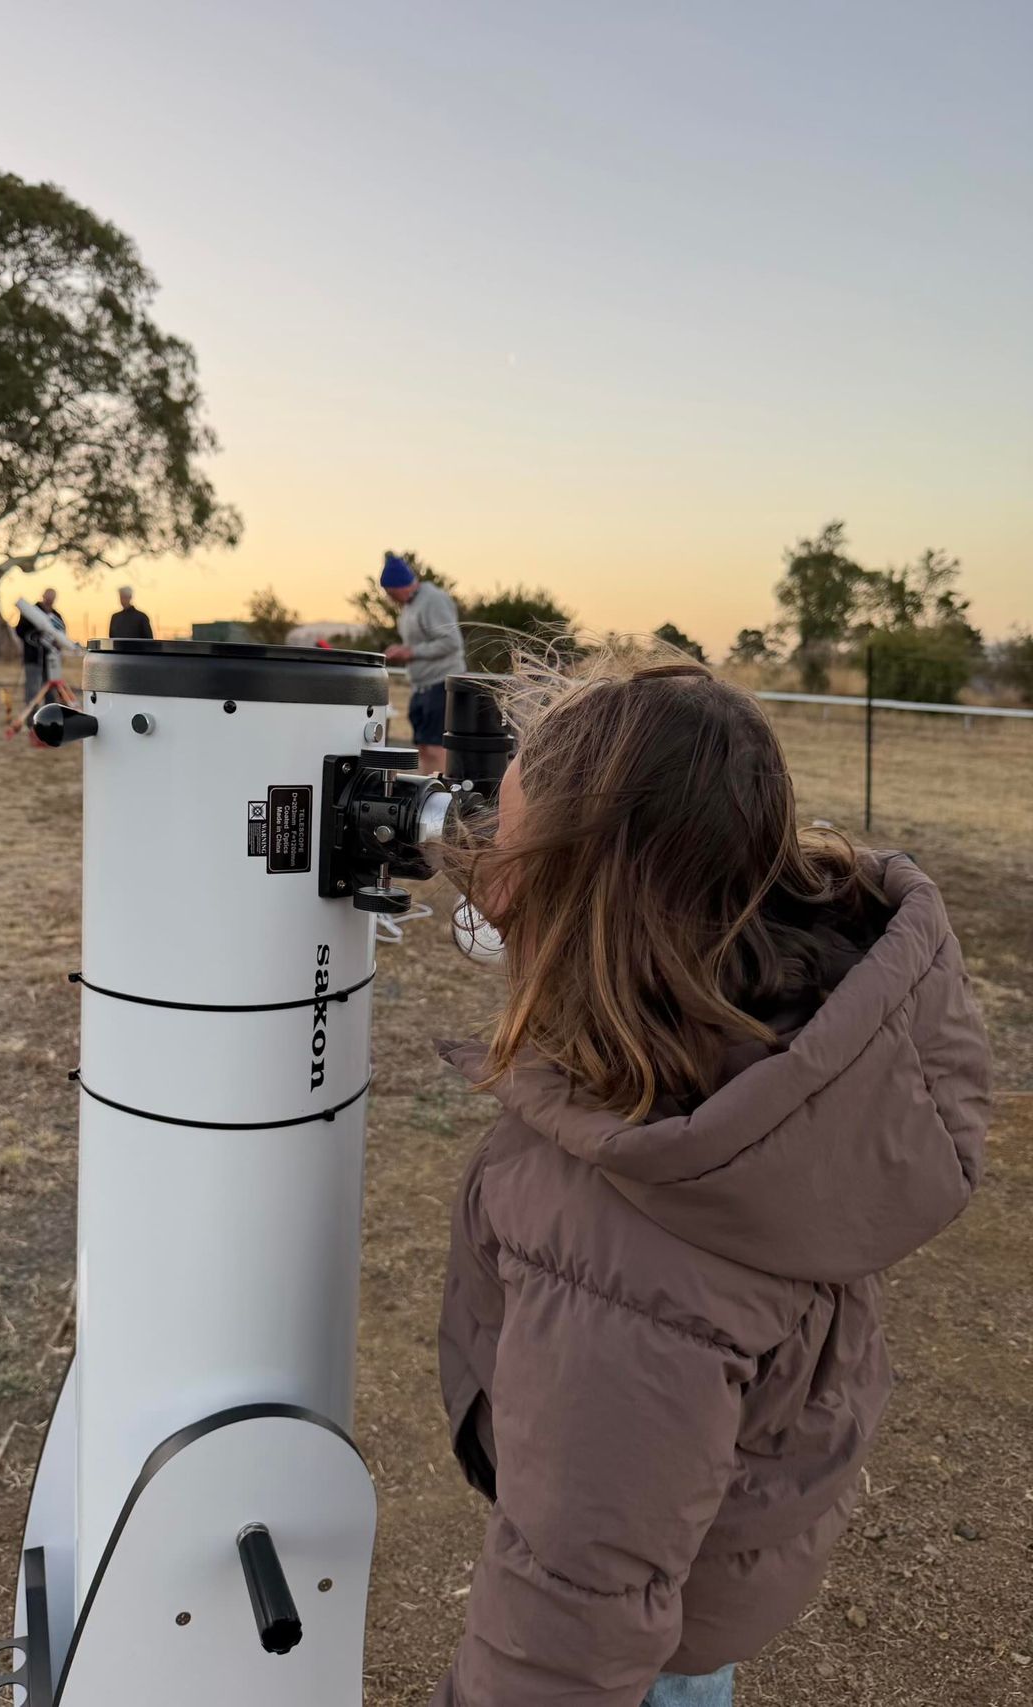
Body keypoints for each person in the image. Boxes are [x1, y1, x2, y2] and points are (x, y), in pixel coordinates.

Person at [432, 646, 990, 1707]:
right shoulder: (784, 1056)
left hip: (631, 1627)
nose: (485, 889)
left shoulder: (621, 1225)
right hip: (699, 1562)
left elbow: (572, 1601)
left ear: (586, 901)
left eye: (504, 858)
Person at [379, 552, 465, 773]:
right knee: (423, 746)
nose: (390, 598)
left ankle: (443, 796)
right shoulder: (409, 606)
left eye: (389, 592)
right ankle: (427, 791)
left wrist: (410, 652)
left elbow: (451, 642)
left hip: (440, 683)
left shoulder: (433, 600)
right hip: (421, 685)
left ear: (399, 585)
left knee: (437, 747)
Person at [15, 587, 67, 715]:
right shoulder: (32, 612)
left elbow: (61, 634)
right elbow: (20, 631)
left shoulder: (56, 616)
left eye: (52, 598)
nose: (50, 600)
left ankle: (48, 715)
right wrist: (35, 636)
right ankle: (30, 717)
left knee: (50, 689)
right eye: (48, 597)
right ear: (43, 596)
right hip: (33, 657)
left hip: (49, 660)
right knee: (32, 689)